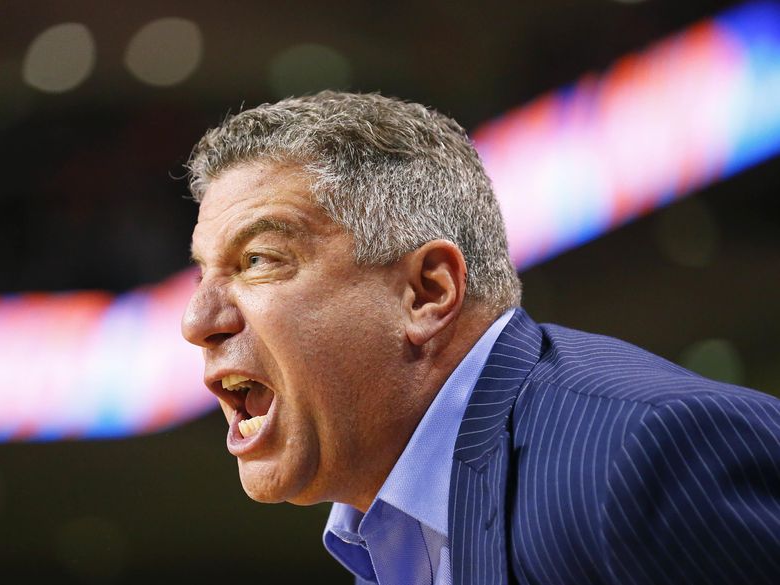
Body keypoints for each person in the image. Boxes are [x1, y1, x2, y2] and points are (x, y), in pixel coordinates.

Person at [180, 91, 780, 585]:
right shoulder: (379, 532)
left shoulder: (643, 457)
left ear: (427, 293)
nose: (197, 320)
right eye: (203, 271)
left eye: (257, 259)